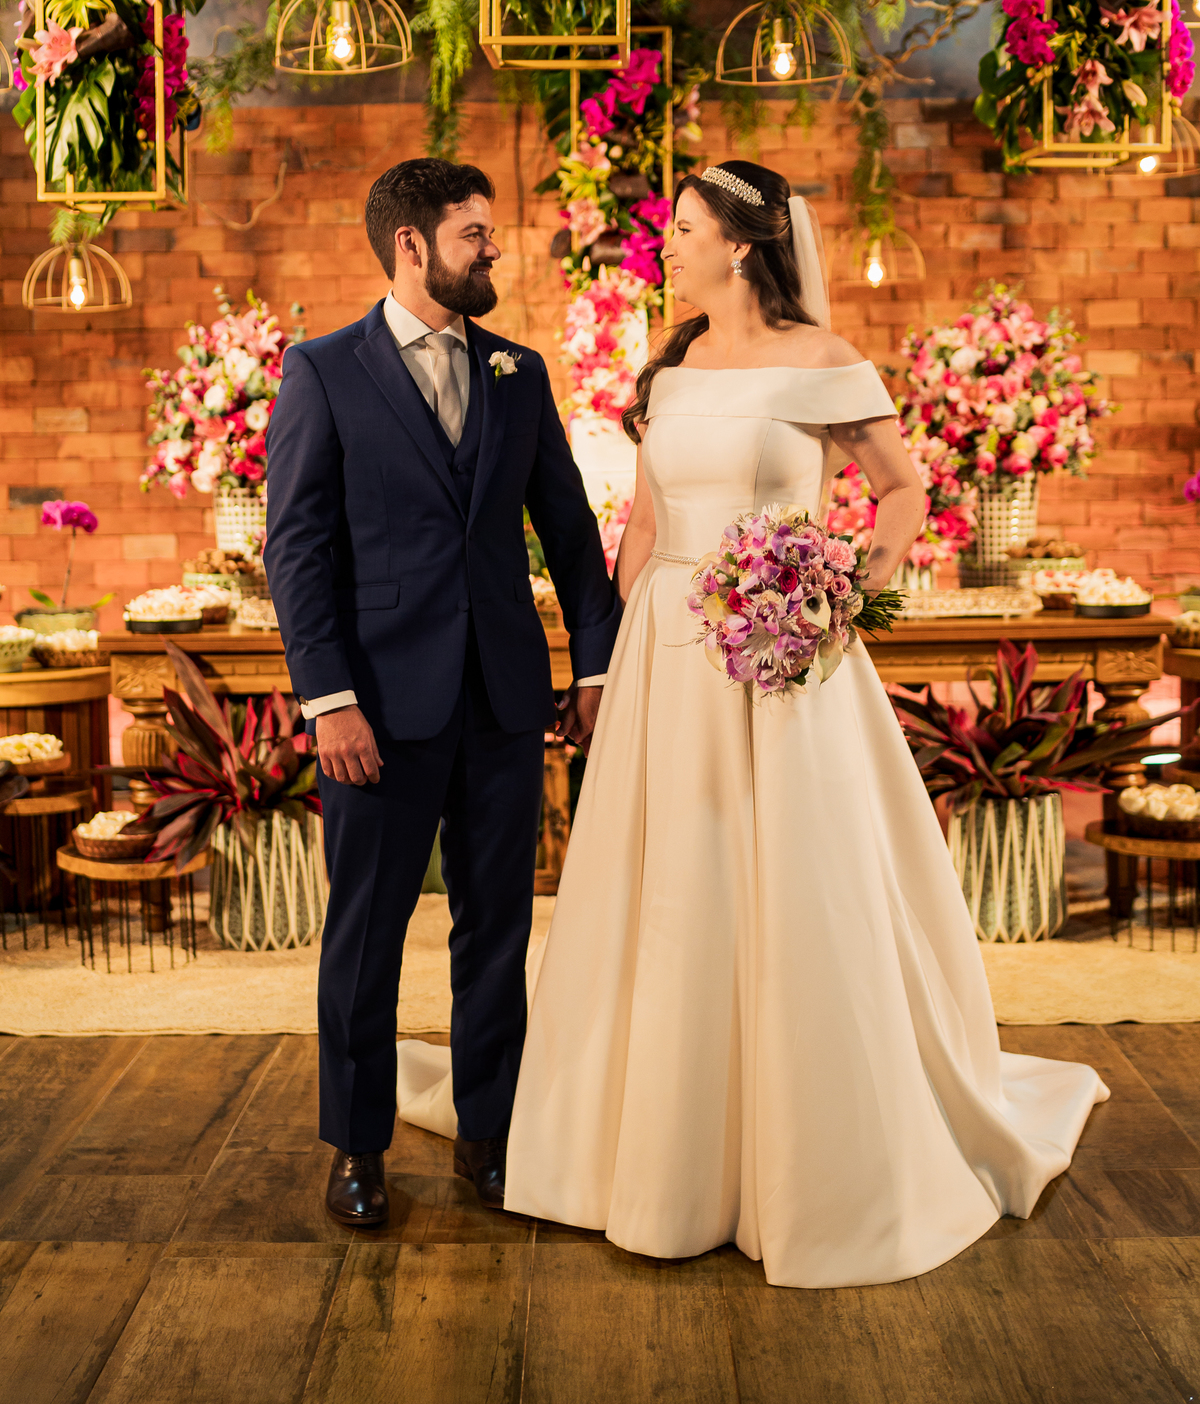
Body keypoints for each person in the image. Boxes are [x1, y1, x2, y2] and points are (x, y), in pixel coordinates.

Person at [397, 158, 1109, 1289]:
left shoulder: (824, 362)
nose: (667, 245)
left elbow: (903, 490)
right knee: (667, 881)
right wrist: (610, 659)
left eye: (683, 230)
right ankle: (648, 1144)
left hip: (785, 656)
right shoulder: (673, 370)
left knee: (787, 876)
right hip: (668, 657)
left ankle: (807, 1148)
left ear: (740, 245)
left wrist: (848, 592)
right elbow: (645, 524)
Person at [264, 156, 620, 1230]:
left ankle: (491, 1138)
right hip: (375, 709)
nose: (494, 248)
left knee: (497, 930)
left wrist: (594, 667)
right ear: (411, 245)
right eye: (475, 233)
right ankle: (358, 1149)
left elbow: (570, 533)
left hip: (504, 702)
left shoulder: (519, 371)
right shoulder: (323, 371)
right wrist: (329, 699)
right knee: (366, 935)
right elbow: (297, 551)